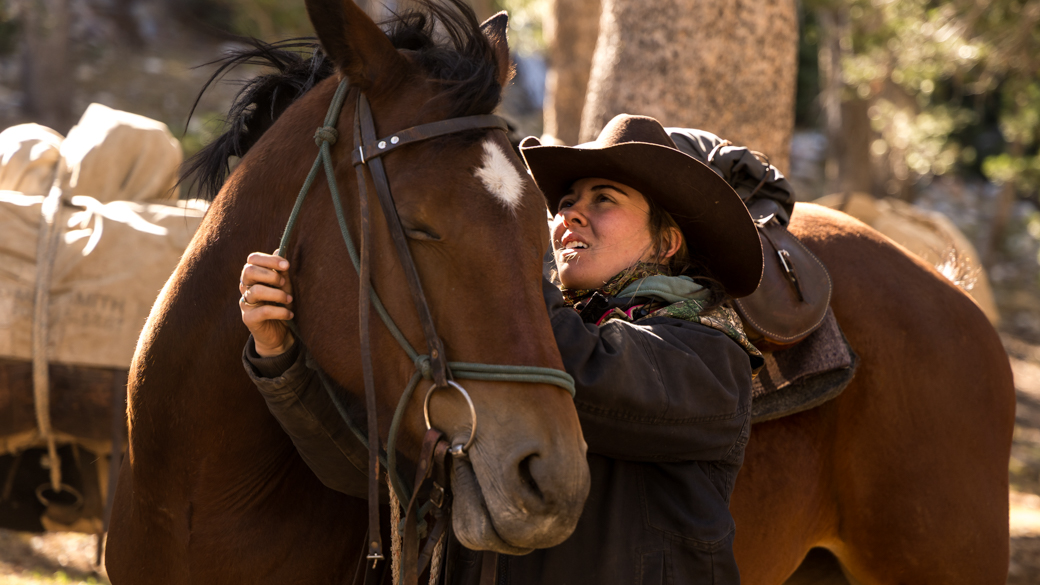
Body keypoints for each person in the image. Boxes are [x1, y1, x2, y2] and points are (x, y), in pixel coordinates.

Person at [238, 114, 764, 584]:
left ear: (667, 243)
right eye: (564, 204)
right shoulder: (511, 348)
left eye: (604, 199)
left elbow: (593, 371)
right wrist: (280, 355)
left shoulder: (711, 356)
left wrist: (493, 259)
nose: (570, 217)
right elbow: (368, 468)